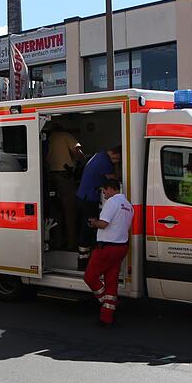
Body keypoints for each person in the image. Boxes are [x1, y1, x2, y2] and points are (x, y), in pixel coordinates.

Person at [84, 179, 133, 327]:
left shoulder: (111, 203)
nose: (103, 194)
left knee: (90, 277)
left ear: (110, 189)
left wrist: (93, 223)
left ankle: (107, 301)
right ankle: (107, 316)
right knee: (111, 281)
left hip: (107, 248)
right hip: (121, 247)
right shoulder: (129, 206)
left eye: (104, 190)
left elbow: (104, 224)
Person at [76, 144, 121, 269]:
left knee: (87, 227)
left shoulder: (99, 155)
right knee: (89, 227)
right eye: (118, 159)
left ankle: (85, 259)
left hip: (83, 196)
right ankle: (84, 263)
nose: (117, 162)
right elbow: (114, 182)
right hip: (89, 198)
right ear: (116, 154)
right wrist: (116, 166)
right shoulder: (105, 161)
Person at [44, 121, 85, 251]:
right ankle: (72, 244)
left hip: (50, 178)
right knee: (70, 211)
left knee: (56, 212)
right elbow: (77, 151)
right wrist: (82, 160)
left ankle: (57, 242)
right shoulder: (66, 136)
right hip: (65, 177)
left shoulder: (48, 138)